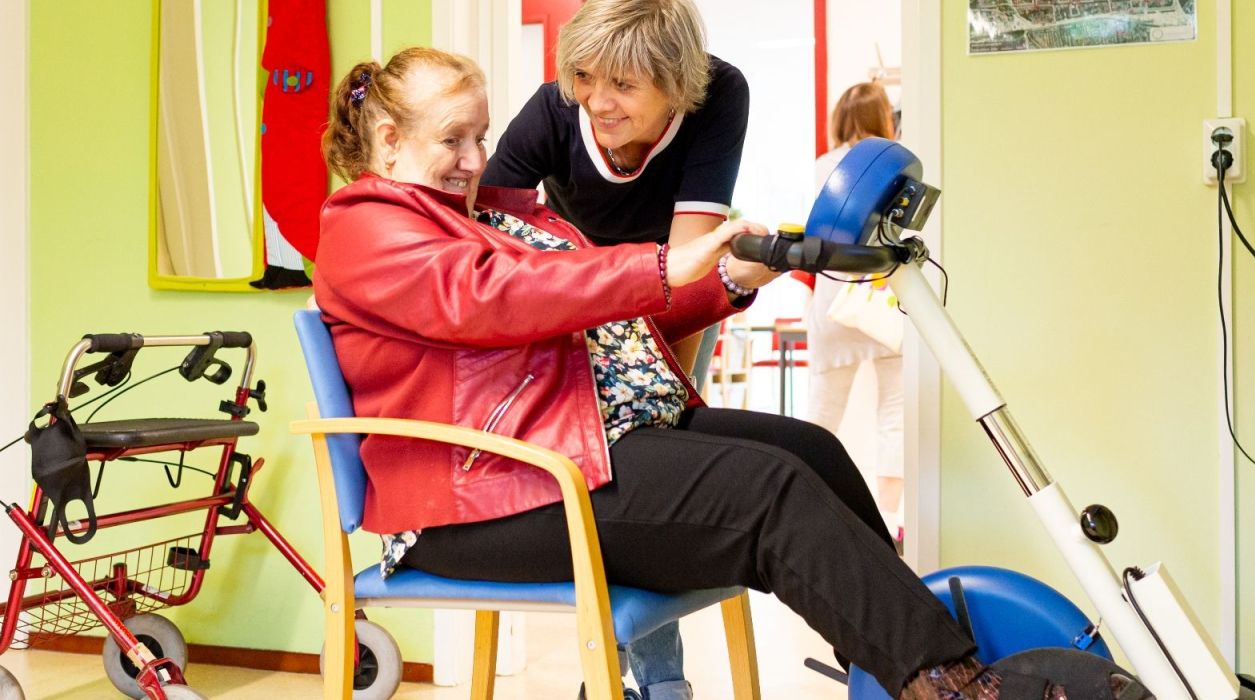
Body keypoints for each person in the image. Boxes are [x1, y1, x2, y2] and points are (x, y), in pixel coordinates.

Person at [315, 47, 1092, 700]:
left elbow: (602, 326)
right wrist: (659, 262)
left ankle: (895, 670)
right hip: (489, 492)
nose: (479, 159)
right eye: (455, 140)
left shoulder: (482, 215)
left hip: (566, 445)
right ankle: (952, 685)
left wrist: (729, 281)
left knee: (808, 451)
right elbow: (499, 299)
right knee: (767, 496)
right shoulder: (364, 227)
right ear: (387, 140)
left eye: (482, 136)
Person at [479, 1, 749, 692]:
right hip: (574, 303)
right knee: (609, 480)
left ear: (676, 85)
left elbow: (686, 272)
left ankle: (635, 681)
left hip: (673, 293)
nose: (597, 101)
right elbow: (489, 250)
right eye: (585, 76)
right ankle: (633, 681)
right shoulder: (551, 110)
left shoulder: (720, 94)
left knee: (652, 463)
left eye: (623, 85)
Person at [808, 81, 908, 546]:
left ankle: (808, 503)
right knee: (895, 410)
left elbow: (812, 235)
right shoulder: (897, 165)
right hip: (883, 297)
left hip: (834, 302)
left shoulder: (825, 168)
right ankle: (888, 517)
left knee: (823, 411)